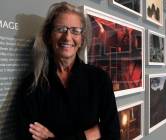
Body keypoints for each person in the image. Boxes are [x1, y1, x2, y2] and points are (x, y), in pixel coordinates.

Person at [16, 1, 120, 140]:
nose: (67, 37)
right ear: (49, 36)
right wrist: (88, 135)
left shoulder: (99, 79)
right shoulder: (31, 85)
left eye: (75, 31)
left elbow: (112, 133)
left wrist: (52, 137)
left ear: (82, 39)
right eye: (61, 29)